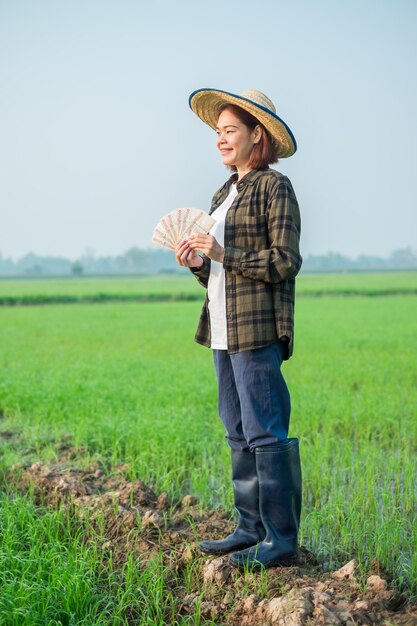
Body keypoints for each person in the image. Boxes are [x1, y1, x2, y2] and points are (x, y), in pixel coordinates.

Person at [175, 88, 302, 570]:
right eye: (218, 132)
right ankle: (250, 528)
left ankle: (281, 541)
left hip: (257, 329)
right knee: (236, 430)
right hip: (222, 329)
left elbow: (285, 261)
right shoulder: (222, 194)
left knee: (265, 432)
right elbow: (218, 272)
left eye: (230, 131)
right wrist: (195, 262)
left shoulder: (275, 187)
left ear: (257, 136)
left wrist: (223, 253)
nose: (221, 140)